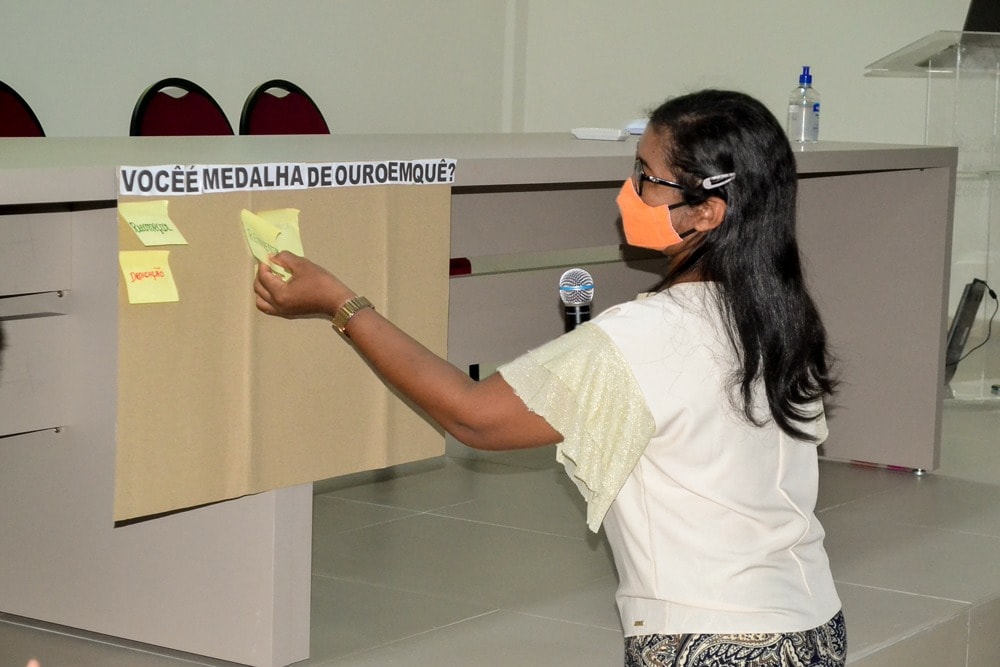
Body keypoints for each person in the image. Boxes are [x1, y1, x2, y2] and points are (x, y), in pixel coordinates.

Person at [253, 89, 846, 667]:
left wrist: (342, 304)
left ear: (707, 211)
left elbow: (474, 417)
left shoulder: (652, 333)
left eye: (646, 178)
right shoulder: (783, 314)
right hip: (813, 627)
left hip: (713, 642)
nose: (626, 192)